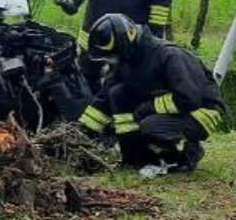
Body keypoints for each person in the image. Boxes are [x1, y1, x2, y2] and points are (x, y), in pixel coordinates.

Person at [75, 13, 225, 174]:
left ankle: (186, 154)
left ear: (125, 47)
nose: (111, 62)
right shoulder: (128, 61)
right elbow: (103, 100)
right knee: (118, 94)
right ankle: (135, 158)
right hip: (174, 109)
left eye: (112, 57)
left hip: (202, 111)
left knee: (151, 126)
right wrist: (78, 134)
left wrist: (146, 108)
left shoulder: (169, 55)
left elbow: (188, 98)